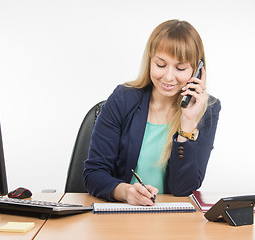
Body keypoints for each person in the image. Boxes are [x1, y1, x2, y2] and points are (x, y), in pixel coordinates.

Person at [83, 19, 221, 206]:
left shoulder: (207, 110)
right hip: (121, 213)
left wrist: (187, 123)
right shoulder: (123, 99)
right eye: (161, 65)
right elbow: (93, 173)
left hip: (172, 221)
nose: (169, 77)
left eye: (180, 68)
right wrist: (125, 192)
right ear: (149, 62)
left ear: (197, 71)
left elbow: (183, 190)